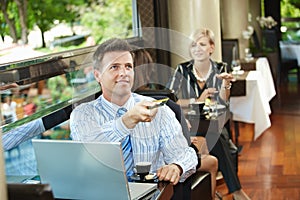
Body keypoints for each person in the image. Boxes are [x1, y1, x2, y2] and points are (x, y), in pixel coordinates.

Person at [69, 38, 198, 186]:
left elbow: (186, 154)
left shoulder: (159, 110)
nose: (124, 73)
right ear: (97, 75)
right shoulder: (83, 114)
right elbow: (90, 153)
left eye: (128, 66)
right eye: (115, 67)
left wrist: (177, 167)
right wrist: (127, 121)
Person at [167, 28, 251, 200]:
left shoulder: (220, 68)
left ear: (211, 47)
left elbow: (223, 101)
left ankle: (229, 191)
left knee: (217, 133)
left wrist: (226, 84)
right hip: (189, 124)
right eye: (193, 45)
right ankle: (235, 191)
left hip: (214, 123)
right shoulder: (182, 70)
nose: (197, 48)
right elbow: (170, 101)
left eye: (202, 44)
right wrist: (197, 99)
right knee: (218, 136)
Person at [132, 47, 219, 199]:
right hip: (163, 166)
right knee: (212, 161)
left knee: (203, 142)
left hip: (157, 159)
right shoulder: (161, 101)